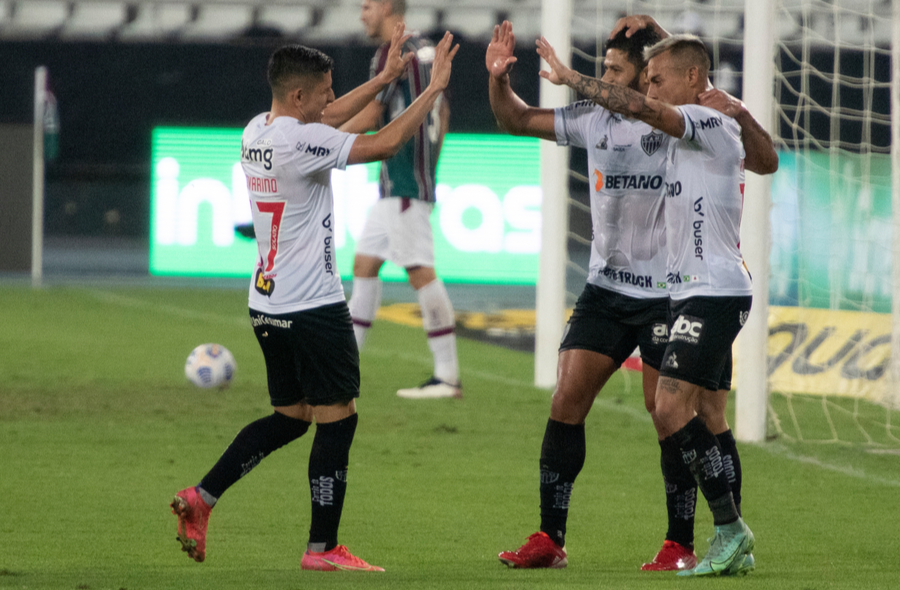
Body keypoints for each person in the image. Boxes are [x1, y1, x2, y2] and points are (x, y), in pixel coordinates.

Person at [491, 17, 774, 572]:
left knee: (675, 410)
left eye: (622, 72)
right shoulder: (600, 120)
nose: (618, 82)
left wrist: (574, 75)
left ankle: (685, 540)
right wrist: (500, 79)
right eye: (613, 73)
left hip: (673, 292)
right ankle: (551, 536)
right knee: (566, 398)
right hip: (607, 287)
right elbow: (516, 118)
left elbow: (668, 97)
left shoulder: (685, 121)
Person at [171, 29, 459, 572]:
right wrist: (432, 89)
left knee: (290, 416)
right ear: (299, 97)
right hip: (313, 307)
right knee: (338, 419)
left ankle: (201, 498)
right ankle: (321, 551)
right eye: (325, 91)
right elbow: (385, 143)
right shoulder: (303, 141)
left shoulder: (258, 129)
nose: (332, 98)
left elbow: (328, 121)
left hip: (266, 303)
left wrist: (385, 78)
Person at [321, 0, 461, 400]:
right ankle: (344, 371)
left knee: (420, 271)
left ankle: (448, 376)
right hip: (404, 180)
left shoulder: (392, 53)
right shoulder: (427, 48)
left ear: (386, 6)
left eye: (366, 5)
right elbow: (444, 114)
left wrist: (322, 143)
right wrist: (429, 167)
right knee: (364, 267)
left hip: (401, 181)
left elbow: (370, 117)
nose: (362, 14)